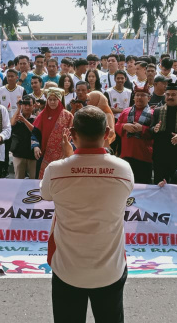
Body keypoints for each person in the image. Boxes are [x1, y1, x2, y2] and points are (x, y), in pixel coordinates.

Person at [40, 106, 133, 323]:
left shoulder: (55, 170)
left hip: (68, 270)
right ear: (108, 132)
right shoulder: (123, 169)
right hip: (110, 269)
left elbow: (46, 194)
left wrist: (67, 159)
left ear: (72, 133)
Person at [151, 82, 177, 184]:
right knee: (159, 183)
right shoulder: (157, 111)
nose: (170, 97)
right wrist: (154, 129)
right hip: (160, 154)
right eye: (168, 94)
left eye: (173, 94)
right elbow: (150, 129)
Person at [115, 85, 154, 184]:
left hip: (144, 156)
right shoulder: (125, 112)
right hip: (126, 154)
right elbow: (117, 126)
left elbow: (156, 132)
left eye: (143, 95)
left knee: (143, 184)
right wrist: (124, 126)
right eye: (137, 95)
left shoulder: (154, 113)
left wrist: (143, 129)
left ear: (149, 98)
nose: (139, 98)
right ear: (133, 97)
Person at [32, 88, 75, 179]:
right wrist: (35, 146)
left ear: (59, 100)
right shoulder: (42, 115)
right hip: (44, 156)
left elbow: (73, 135)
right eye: (50, 100)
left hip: (62, 157)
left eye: (55, 100)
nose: (52, 102)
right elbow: (35, 133)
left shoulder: (68, 116)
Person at [10, 95, 37, 179]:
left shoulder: (36, 119)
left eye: (29, 104)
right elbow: (12, 123)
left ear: (34, 106)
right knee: (18, 179)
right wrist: (18, 108)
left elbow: (35, 130)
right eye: (25, 104)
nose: (27, 107)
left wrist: (24, 120)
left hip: (33, 155)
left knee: (34, 180)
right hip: (19, 154)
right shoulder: (18, 117)